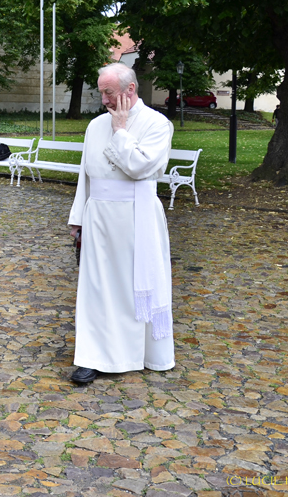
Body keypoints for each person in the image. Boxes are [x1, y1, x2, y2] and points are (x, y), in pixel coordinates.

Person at [66, 62, 175, 385]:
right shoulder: (94, 126)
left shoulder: (158, 124)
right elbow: (85, 176)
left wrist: (122, 131)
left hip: (136, 217)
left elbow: (140, 168)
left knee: (134, 288)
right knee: (97, 290)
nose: (104, 100)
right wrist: (77, 219)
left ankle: (141, 353)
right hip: (98, 217)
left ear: (130, 90)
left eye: (108, 92)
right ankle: (93, 357)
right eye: (101, 92)